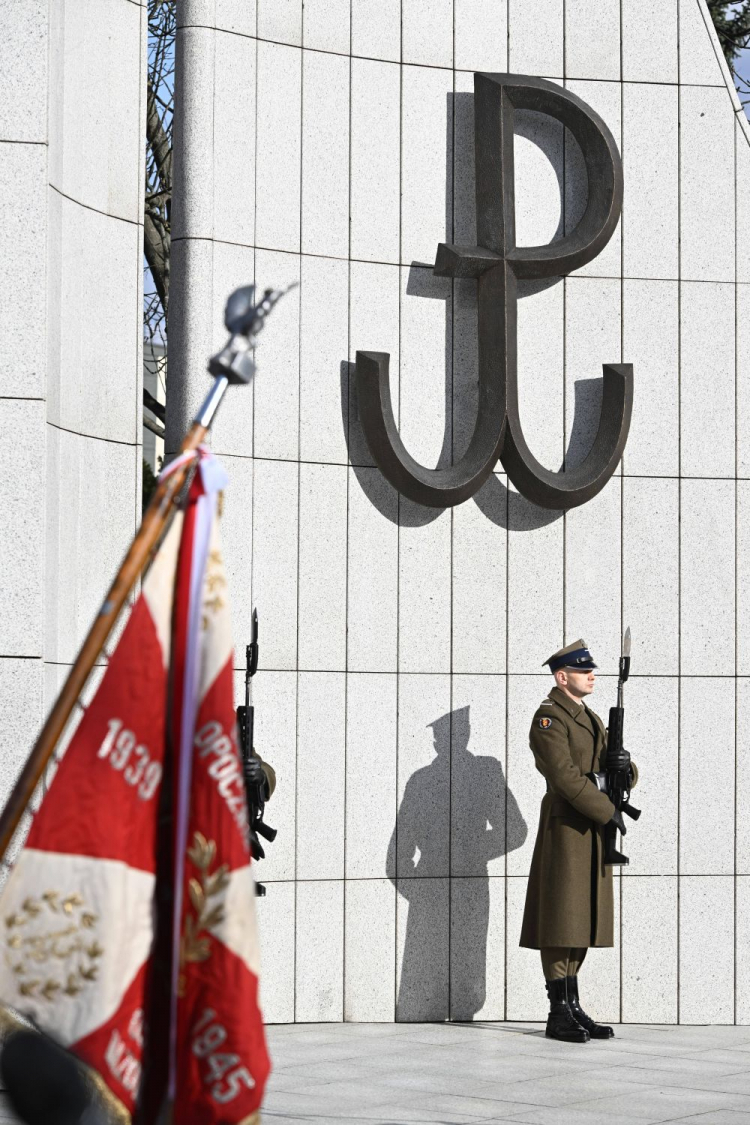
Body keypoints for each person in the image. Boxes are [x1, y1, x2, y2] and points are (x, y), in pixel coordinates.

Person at [519, 639, 637, 1043]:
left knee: (582, 919)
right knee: (560, 920)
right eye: (584, 671)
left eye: (593, 670)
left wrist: (626, 769)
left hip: (590, 830)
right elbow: (564, 776)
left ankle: (572, 1005)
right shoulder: (549, 719)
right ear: (561, 676)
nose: (593, 675)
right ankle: (557, 1012)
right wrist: (607, 811)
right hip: (568, 828)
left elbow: (610, 763)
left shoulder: (589, 717)